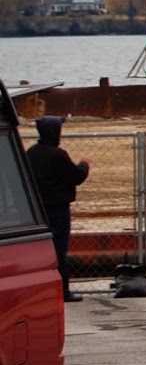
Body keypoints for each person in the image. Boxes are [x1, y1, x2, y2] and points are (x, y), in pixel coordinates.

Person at [26, 116, 90, 302]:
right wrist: (84, 164)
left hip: (38, 208)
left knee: (39, 250)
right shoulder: (57, 154)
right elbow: (75, 177)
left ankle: (39, 291)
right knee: (58, 250)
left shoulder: (32, 152)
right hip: (58, 208)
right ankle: (62, 290)